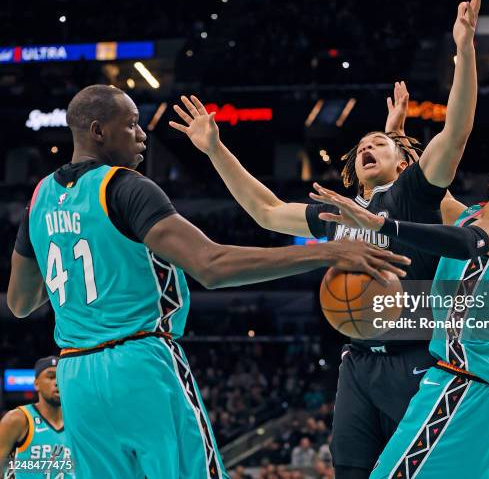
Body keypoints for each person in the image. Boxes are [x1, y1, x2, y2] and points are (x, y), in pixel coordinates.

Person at [6, 85, 409, 479]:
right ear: (98, 131)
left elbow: (21, 303)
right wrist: (328, 253)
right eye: (131, 125)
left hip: (76, 374)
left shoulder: (39, 198)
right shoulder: (126, 187)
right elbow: (211, 265)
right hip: (138, 360)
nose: (143, 134)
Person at [170, 0, 482, 478]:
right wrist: (215, 150)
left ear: (404, 161)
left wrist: (464, 50)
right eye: (362, 145)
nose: (368, 146)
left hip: (417, 355)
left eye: (380, 143)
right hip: (358, 362)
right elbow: (267, 211)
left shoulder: (415, 194)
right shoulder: (340, 213)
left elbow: (457, 132)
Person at [310, 129, 489, 477]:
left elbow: (466, 242)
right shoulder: (475, 212)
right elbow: (420, 188)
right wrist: (396, 137)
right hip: (470, 384)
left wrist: (384, 224)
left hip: (468, 381)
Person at [0, 357, 74, 479]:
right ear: (36, 384)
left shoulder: (77, 422)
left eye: (62, 377)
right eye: (51, 377)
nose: (57, 382)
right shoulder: (17, 419)